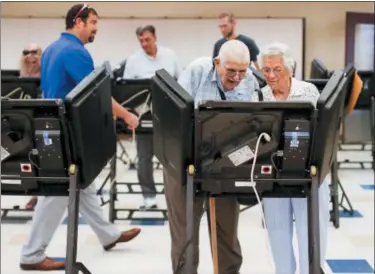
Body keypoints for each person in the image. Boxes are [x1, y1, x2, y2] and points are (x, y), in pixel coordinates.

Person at [20, 4, 141, 271]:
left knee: (81, 184)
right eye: (93, 22)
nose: (96, 27)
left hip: (49, 126)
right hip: (64, 130)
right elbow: (97, 96)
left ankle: (108, 235)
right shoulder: (76, 52)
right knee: (59, 190)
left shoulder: (52, 48)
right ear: (78, 21)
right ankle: (32, 254)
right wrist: (127, 116)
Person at [164, 40, 259, 274]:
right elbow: (175, 115)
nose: (238, 77)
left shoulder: (251, 82)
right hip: (186, 160)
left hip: (226, 163)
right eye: (231, 71)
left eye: (242, 71)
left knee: (226, 233)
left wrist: (240, 162)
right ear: (217, 62)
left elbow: (254, 129)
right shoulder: (198, 71)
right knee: (184, 234)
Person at [251, 42, 331, 274]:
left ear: (290, 68)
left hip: (307, 172)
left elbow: (321, 133)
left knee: (312, 232)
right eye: (266, 70)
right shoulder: (259, 95)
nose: (271, 75)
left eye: (276, 69)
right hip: (274, 173)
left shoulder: (308, 91)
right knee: (277, 232)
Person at [123, 25, 182, 210]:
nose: (144, 43)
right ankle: (148, 196)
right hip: (143, 115)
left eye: (147, 39)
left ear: (155, 37)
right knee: (144, 157)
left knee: (172, 157)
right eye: (140, 40)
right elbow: (125, 90)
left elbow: (181, 82)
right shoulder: (133, 61)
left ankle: (176, 196)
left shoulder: (170, 55)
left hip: (168, 116)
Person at [19, 43, 43, 210]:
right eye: (26, 52)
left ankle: (38, 195)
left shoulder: (46, 75)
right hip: (24, 124)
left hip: (41, 122)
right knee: (26, 161)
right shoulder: (21, 78)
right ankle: (32, 193)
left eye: (34, 52)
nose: (30, 56)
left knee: (41, 159)